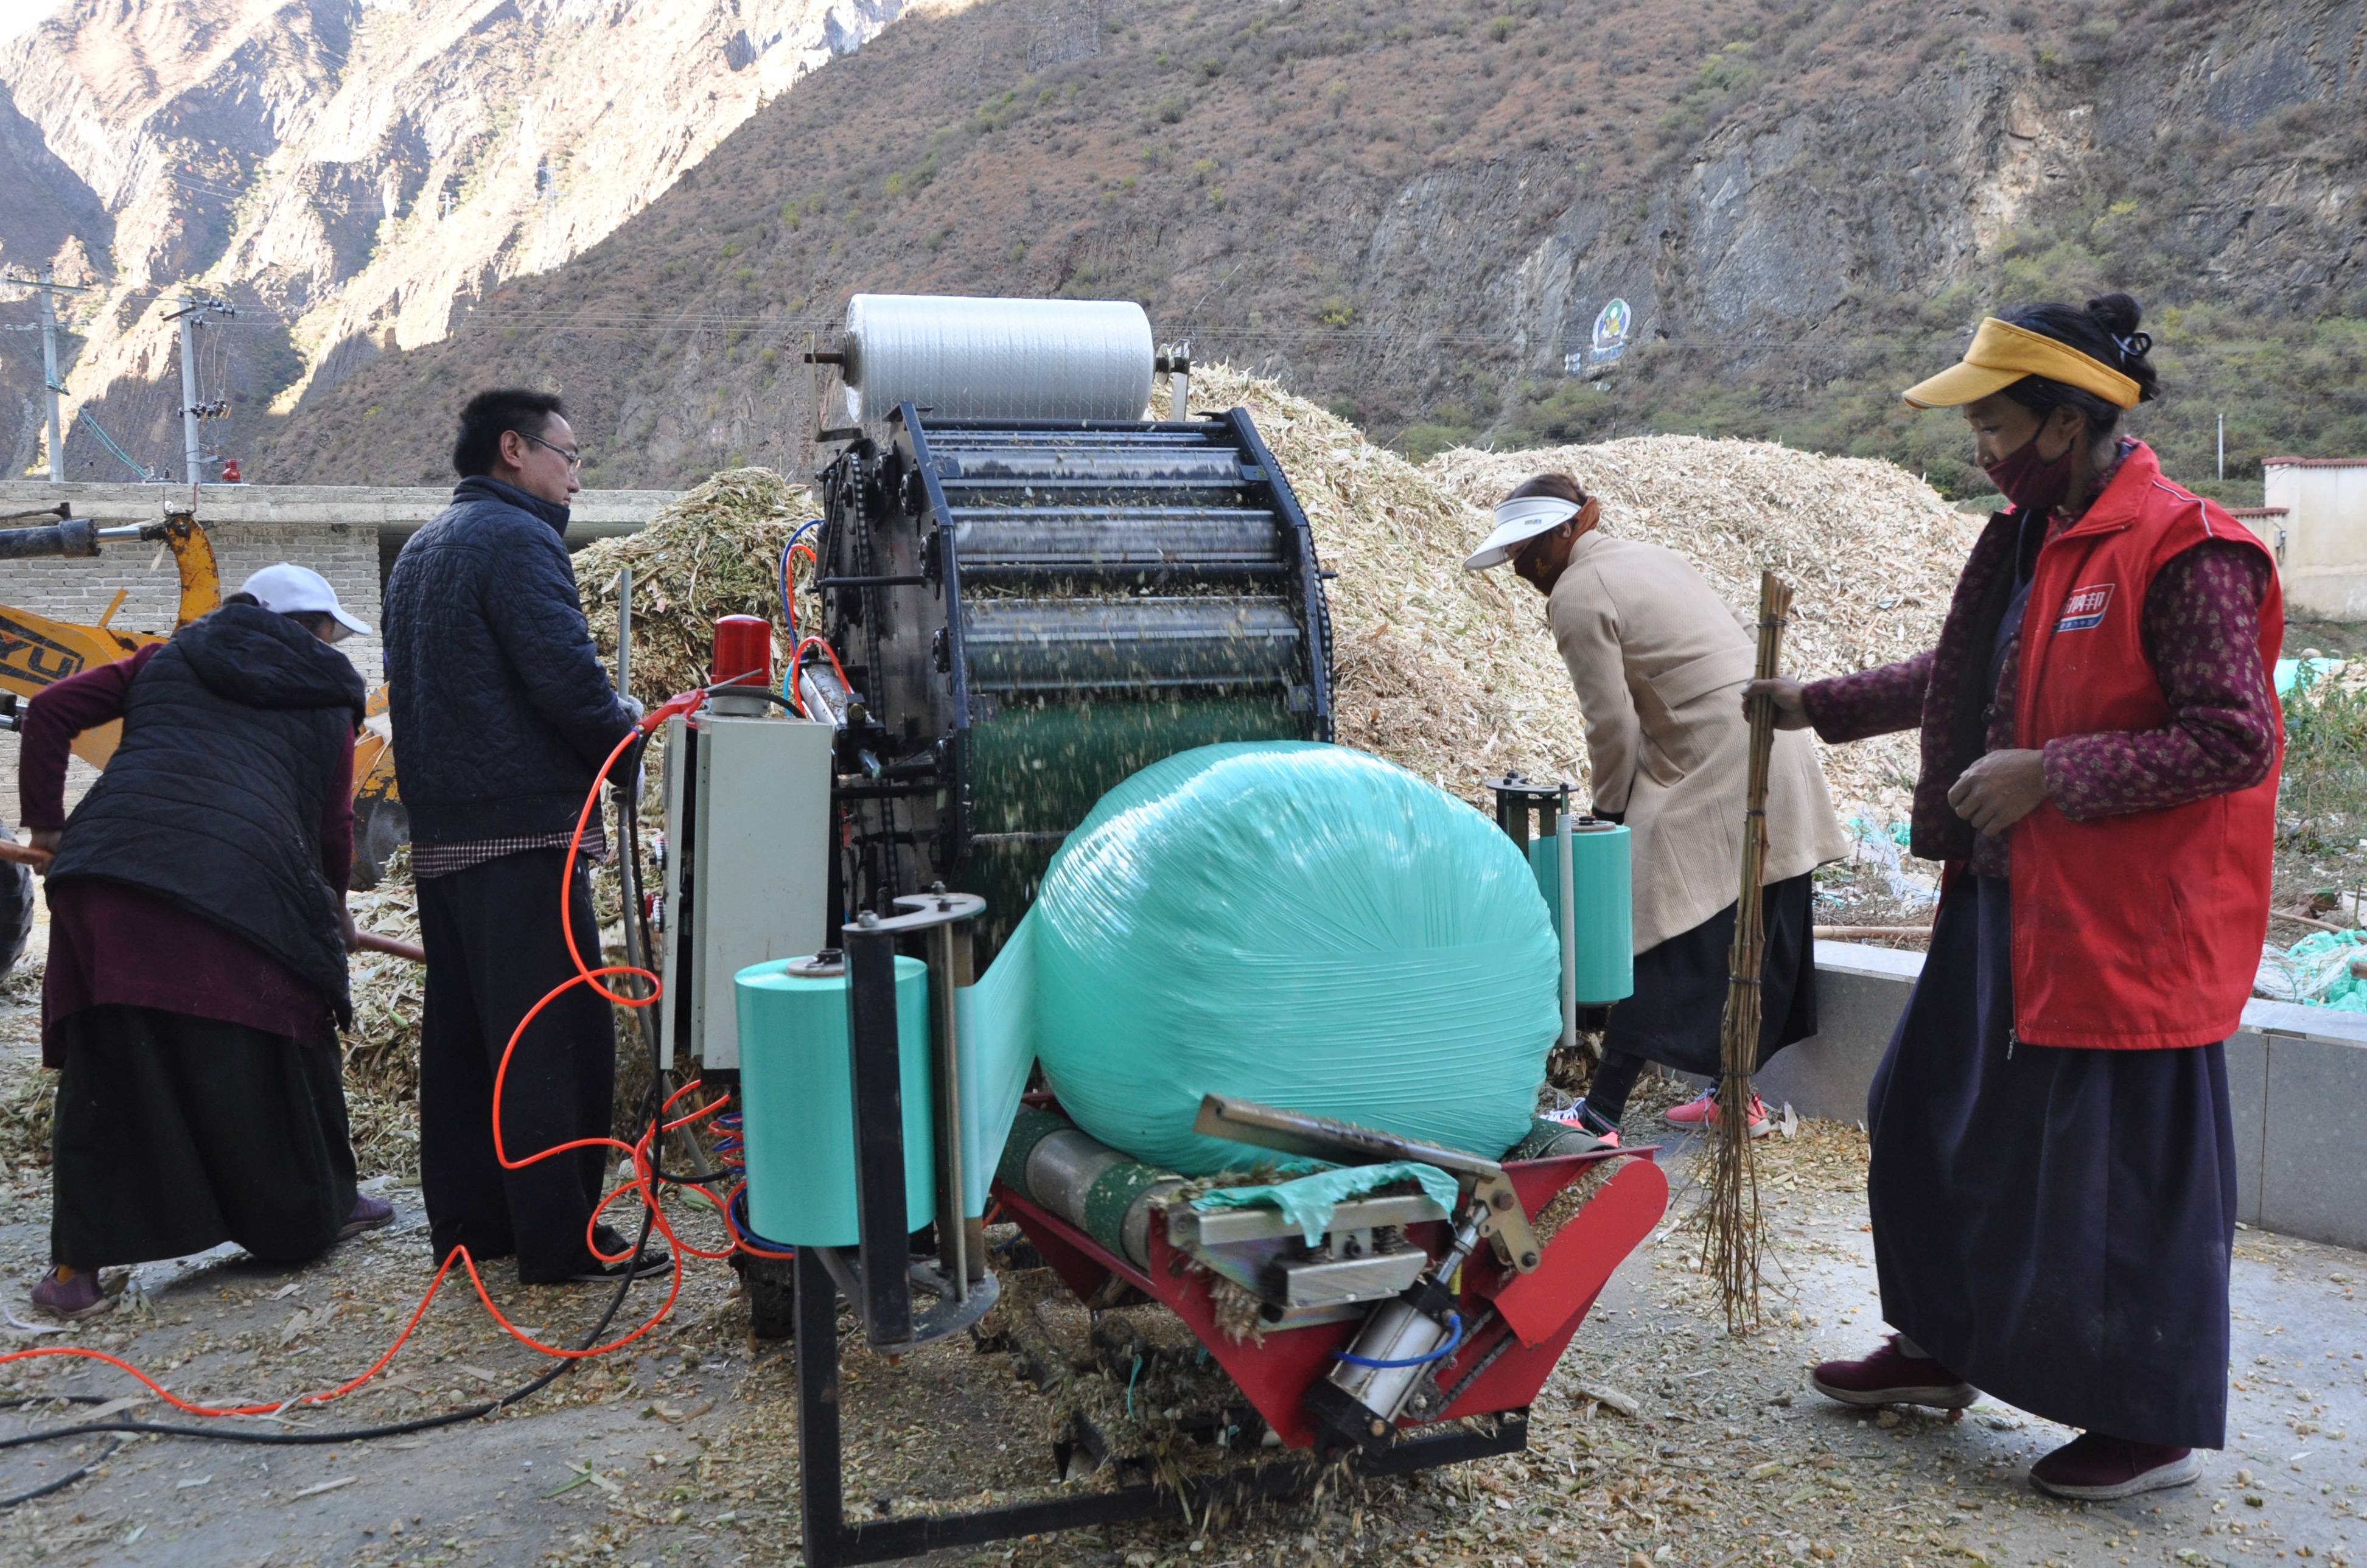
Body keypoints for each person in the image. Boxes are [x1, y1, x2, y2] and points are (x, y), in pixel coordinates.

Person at [1754, 295, 2281, 1500]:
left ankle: (2147, 1421)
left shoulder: (2184, 547)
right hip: (2007, 899)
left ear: (2066, 422)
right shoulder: (2035, 537)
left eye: (1994, 425)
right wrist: (1813, 705)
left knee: (2122, 1173)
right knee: (1928, 1108)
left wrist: (2056, 774)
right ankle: (1939, 1349)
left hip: (2127, 923)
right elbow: (1972, 669)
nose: (1980, 449)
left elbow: (2235, 738)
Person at [20, 565, 393, 1319]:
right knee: (293, 1032)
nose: (333, 643)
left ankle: (74, 1276)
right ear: (312, 630)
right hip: (233, 883)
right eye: (329, 629)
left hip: (107, 880)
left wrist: (48, 826)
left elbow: (51, 709)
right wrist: (332, 915)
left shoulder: (167, 658)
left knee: (108, 1066)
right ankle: (320, 1206)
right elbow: (331, 829)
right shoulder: (327, 697)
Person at [1465, 475, 1849, 1144]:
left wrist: (1610, 814)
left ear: (1570, 529)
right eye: (1514, 557)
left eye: (1529, 551)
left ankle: (1600, 1113)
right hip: (1771, 746)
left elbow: (1610, 725)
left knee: (1646, 923)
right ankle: (1734, 1097)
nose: (1523, 570)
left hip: (1712, 763)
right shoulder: (1652, 557)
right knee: (1746, 924)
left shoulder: (1579, 595)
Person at [385, 389, 665, 1286]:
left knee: (469, 1038)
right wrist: (631, 738)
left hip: (443, 843)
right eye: (569, 455)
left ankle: (473, 1231)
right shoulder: (517, 539)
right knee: (553, 1035)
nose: (576, 478)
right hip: (521, 838)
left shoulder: (424, 549)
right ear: (514, 449)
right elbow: (566, 681)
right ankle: (558, 1240)